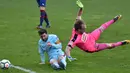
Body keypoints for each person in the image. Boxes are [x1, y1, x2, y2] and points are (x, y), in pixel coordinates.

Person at [65, 0, 130, 62]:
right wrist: (69, 57)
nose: (85, 28)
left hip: (91, 36)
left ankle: (114, 19)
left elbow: (79, 16)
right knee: (109, 45)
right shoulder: (74, 38)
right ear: (79, 30)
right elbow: (67, 48)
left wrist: (81, 8)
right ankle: (122, 43)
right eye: (83, 28)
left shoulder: (77, 25)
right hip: (92, 47)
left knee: (101, 28)